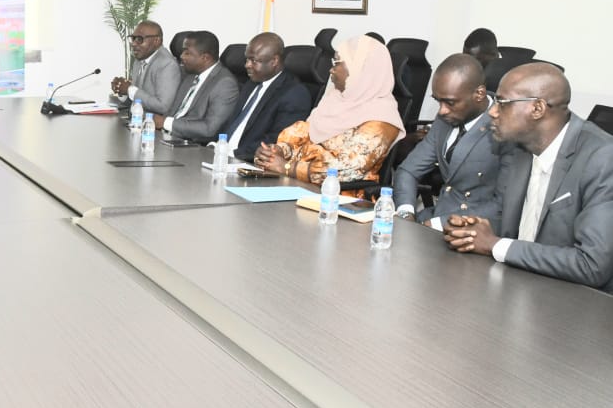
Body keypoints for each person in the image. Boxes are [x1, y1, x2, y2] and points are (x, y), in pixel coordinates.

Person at [443, 63, 613, 293]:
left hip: (576, 301)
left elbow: (592, 265)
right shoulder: (521, 147)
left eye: (502, 103)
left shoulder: (602, 158)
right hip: (521, 285)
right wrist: (473, 230)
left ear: (537, 108)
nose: (492, 111)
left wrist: (495, 245)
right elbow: (518, 225)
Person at [253, 35, 404, 185]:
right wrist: (276, 151)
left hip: (340, 194)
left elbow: (346, 169)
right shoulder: (335, 99)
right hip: (298, 184)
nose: (331, 70)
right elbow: (302, 136)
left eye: (337, 63)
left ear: (360, 69)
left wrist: (288, 168)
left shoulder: (382, 120)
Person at [394, 54, 508, 228]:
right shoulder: (445, 120)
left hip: (473, 228)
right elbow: (408, 170)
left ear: (479, 94)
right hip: (436, 215)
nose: (442, 111)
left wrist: (438, 224)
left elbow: (502, 205)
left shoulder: (504, 125)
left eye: (450, 102)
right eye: (438, 101)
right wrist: (406, 212)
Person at [222, 32, 312, 161]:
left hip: (246, 161)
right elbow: (231, 122)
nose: (247, 65)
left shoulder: (295, 94)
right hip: (222, 155)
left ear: (274, 61)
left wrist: (234, 154)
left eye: (253, 60)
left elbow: (277, 141)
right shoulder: (251, 83)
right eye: (246, 59)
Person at [152, 30, 239, 143]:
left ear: (205, 58)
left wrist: (165, 122)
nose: (181, 56)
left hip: (191, 144)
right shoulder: (191, 74)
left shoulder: (225, 84)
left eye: (187, 53)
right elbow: (173, 111)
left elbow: (209, 129)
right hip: (167, 137)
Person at [110, 20, 182, 114]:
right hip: (135, 119)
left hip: (152, 122)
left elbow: (163, 106)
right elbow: (138, 101)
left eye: (139, 39)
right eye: (133, 38)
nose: (133, 44)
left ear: (156, 41)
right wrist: (122, 92)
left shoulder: (167, 64)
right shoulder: (140, 60)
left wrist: (129, 89)